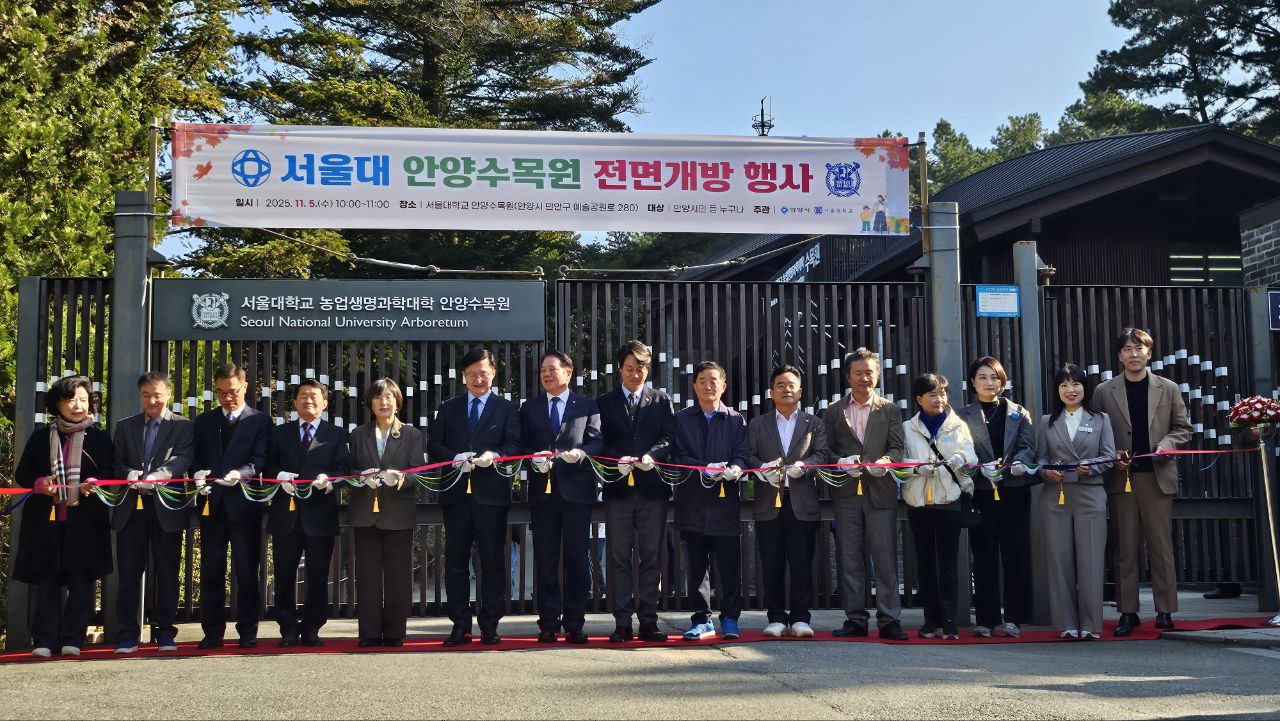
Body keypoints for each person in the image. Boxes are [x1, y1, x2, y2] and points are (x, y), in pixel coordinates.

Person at [1091, 327, 1192, 635]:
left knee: (1161, 547)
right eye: (1127, 349)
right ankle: (1128, 612)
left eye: (1139, 348)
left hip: (1157, 477)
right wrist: (1111, 454)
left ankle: (1165, 610)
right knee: (1125, 548)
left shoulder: (1168, 388)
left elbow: (1183, 428)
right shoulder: (1104, 391)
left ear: (1149, 352)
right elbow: (1095, 433)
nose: (1133, 354)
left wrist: (1167, 445)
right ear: (1119, 355)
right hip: (1121, 479)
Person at [13, 375, 114, 658]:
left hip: (85, 520)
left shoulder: (99, 437)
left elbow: (109, 471)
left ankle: (73, 638)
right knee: (47, 581)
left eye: (83, 399)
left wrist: (95, 482)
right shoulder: (41, 436)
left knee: (81, 581)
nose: (78, 405)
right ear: (57, 403)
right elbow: (22, 473)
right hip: (46, 520)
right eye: (71, 400)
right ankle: (44, 639)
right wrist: (39, 482)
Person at [427, 348, 521, 646]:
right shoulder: (449, 407)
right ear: (463, 376)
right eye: (472, 374)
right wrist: (454, 457)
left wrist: (495, 455)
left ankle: (490, 625)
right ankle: (460, 625)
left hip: (491, 495)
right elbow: (434, 445)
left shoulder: (505, 409)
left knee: (492, 561)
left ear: (493, 373)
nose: (478, 379)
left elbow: (515, 445)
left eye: (483, 373)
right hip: (456, 495)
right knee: (455, 561)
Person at [823, 348, 909, 641]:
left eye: (869, 372)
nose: (864, 378)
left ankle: (889, 619)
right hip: (847, 492)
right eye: (858, 373)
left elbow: (897, 448)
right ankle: (855, 618)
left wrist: (886, 461)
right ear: (848, 377)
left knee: (885, 557)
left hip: (880, 490)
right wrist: (840, 462)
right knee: (850, 557)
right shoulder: (834, 411)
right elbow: (826, 450)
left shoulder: (890, 409)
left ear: (878, 375)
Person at [520, 350, 604, 644]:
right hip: (543, 494)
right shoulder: (530, 408)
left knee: (577, 560)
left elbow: (597, 442)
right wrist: (533, 458)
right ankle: (548, 623)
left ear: (568, 372)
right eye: (543, 370)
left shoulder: (587, 405)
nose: (546, 374)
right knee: (545, 560)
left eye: (552, 369)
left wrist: (581, 453)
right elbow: (521, 446)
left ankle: (574, 623)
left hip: (576, 493)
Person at [597, 340, 676, 643]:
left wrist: (652, 456)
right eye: (629, 368)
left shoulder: (661, 400)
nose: (635, 374)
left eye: (640, 368)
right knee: (619, 558)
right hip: (617, 489)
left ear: (648, 369)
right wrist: (617, 458)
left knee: (651, 557)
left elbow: (669, 437)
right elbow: (598, 440)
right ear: (620, 369)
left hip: (652, 488)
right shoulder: (604, 402)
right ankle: (621, 622)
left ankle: (649, 621)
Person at [111, 371, 195, 654]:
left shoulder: (183, 426)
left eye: (157, 394)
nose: (152, 400)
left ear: (168, 394)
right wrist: (130, 474)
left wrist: (156, 477)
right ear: (140, 396)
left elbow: (182, 459)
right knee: (129, 573)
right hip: (131, 508)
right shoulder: (125, 426)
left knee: (168, 572)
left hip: (166, 507)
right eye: (146, 395)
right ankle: (127, 634)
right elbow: (116, 463)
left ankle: (166, 632)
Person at [954, 356, 1036, 638]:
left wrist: (1017, 463)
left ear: (1002, 381)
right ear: (972, 381)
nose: (989, 383)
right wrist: (979, 466)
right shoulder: (962, 415)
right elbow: (960, 450)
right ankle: (986, 619)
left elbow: (1027, 447)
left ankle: (1013, 618)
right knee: (983, 555)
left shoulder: (1018, 412)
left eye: (994, 377)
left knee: (1015, 554)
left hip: (1014, 491)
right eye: (982, 377)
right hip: (981, 492)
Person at [265, 379, 351, 647]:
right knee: (284, 574)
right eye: (303, 396)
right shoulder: (280, 433)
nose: (308, 400)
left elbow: (344, 470)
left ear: (324, 403)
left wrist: (330, 481)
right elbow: (266, 465)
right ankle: (288, 628)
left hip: (320, 514)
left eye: (314, 396)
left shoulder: (336, 434)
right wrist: (279, 476)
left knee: (318, 574)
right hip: (286, 514)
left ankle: (313, 627)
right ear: (295, 402)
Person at [747, 364, 831, 638]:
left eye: (791, 385)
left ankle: (800, 618)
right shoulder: (758, 424)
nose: (786, 389)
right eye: (780, 385)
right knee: (771, 562)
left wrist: (804, 466)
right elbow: (748, 456)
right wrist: (762, 468)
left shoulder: (814, 423)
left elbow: (823, 454)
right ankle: (775, 618)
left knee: (801, 562)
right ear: (771, 392)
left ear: (800, 391)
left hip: (802, 501)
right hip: (768, 500)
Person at [192, 363, 271, 650]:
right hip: (211, 504)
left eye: (233, 392)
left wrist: (242, 473)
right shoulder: (204, 421)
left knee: (247, 571)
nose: (227, 397)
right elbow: (195, 456)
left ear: (245, 387)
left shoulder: (259, 420)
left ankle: (248, 630)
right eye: (221, 392)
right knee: (211, 570)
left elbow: (260, 458)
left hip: (244, 504)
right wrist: (197, 473)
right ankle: (212, 631)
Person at [1036, 363, 1116, 639]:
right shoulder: (1047, 421)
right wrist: (1045, 472)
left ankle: (1092, 624)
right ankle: (1066, 624)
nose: (1070, 390)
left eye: (1076, 384)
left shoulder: (1100, 419)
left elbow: (1109, 455)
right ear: (1057, 390)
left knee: (1091, 559)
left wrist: (1090, 466)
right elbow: (1040, 458)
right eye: (1064, 385)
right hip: (1056, 494)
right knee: (1059, 560)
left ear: (1085, 387)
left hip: (1090, 492)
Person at [671, 361, 749, 641]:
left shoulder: (735, 420)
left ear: (723, 386)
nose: (708, 386)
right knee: (696, 567)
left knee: (729, 567)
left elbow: (743, 454)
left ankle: (730, 618)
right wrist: (704, 468)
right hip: (692, 502)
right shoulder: (682, 419)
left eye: (714, 380)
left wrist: (737, 467)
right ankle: (701, 620)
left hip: (724, 503)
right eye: (702, 380)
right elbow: (678, 456)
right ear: (694, 386)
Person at [901, 373, 977, 640]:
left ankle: (949, 622)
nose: (939, 399)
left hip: (949, 499)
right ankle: (929, 620)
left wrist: (960, 457)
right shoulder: (907, 427)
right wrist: (916, 468)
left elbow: (971, 454)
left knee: (948, 563)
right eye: (932, 394)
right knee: (925, 563)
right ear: (919, 399)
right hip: (918, 501)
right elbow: (897, 462)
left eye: (942, 394)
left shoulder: (957, 425)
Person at [349, 378, 424, 647]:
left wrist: (400, 479)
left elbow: (418, 472)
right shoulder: (359, 434)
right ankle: (369, 633)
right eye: (378, 397)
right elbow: (348, 471)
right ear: (370, 403)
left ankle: (395, 632)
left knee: (398, 575)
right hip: (365, 512)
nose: (384, 402)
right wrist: (361, 478)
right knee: (367, 575)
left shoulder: (412, 435)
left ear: (398, 402)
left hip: (398, 513)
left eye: (389, 397)